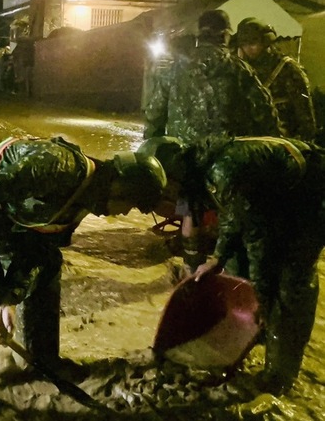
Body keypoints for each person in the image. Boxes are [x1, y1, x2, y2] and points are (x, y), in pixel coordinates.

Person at [0, 136, 167, 420]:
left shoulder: (82, 200)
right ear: (120, 186)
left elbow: (36, 249)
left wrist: (10, 299)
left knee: (48, 263)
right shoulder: (59, 167)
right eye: (130, 205)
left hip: (0, 212)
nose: (124, 213)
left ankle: (40, 359)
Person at [138, 135, 324, 395]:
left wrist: (261, 296)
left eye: (165, 189)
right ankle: (256, 332)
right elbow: (233, 217)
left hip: (310, 194)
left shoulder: (223, 171)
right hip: (273, 197)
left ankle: (280, 375)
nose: (166, 196)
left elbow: (257, 240)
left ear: (173, 174)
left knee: (291, 279)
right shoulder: (198, 176)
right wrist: (216, 260)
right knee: (239, 269)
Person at [142, 9, 282, 272]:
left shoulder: (174, 69)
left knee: (190, 207)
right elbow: (266, 115)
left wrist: (152, 149)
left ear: (199, 35)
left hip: (187, 159)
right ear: (225, 36)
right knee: (235, 215)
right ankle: (228, 273)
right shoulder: (239, 69)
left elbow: (153, 114)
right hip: (230, 160)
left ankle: (191, 269)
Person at [235, 17, 317, 141]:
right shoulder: (243, 68)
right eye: (244, 44)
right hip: (256, 140)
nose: (248, 48)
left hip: (286, 139)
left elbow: (305, 113)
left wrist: (304, 143)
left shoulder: (287, 68)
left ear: (265, 42)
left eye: (253, 43)